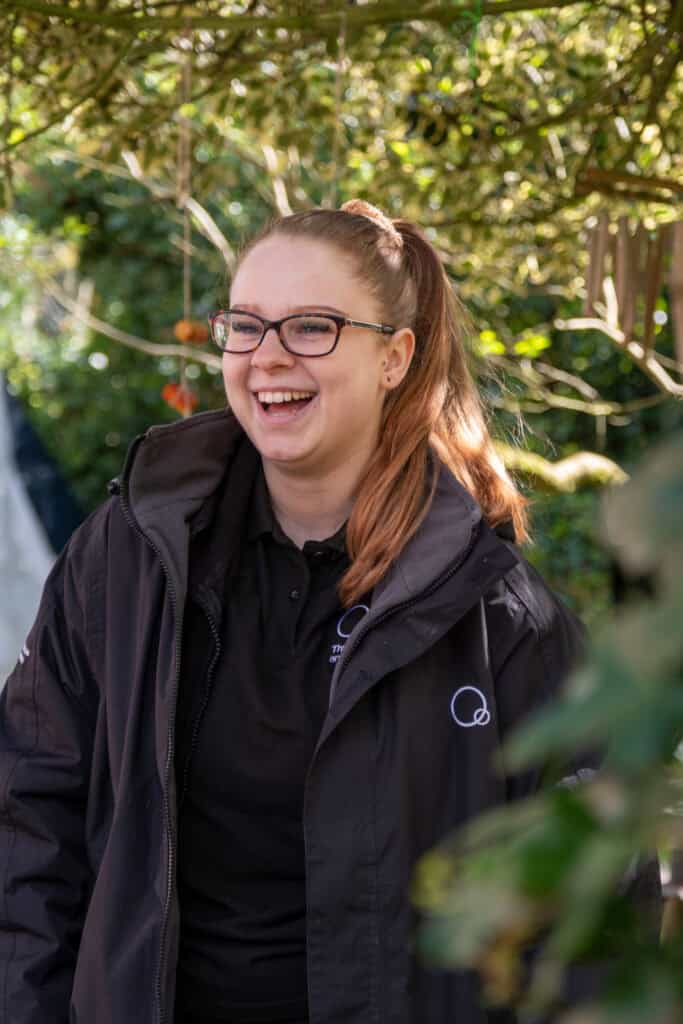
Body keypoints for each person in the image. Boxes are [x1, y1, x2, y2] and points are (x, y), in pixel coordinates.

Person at [0, 201, 601, 1024]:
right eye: (244, 326)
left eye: (311, 327)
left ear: (394, 357)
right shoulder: (131, 556)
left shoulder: (495, 613)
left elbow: (582, 910)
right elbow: (28, 816)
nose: (267, 357)